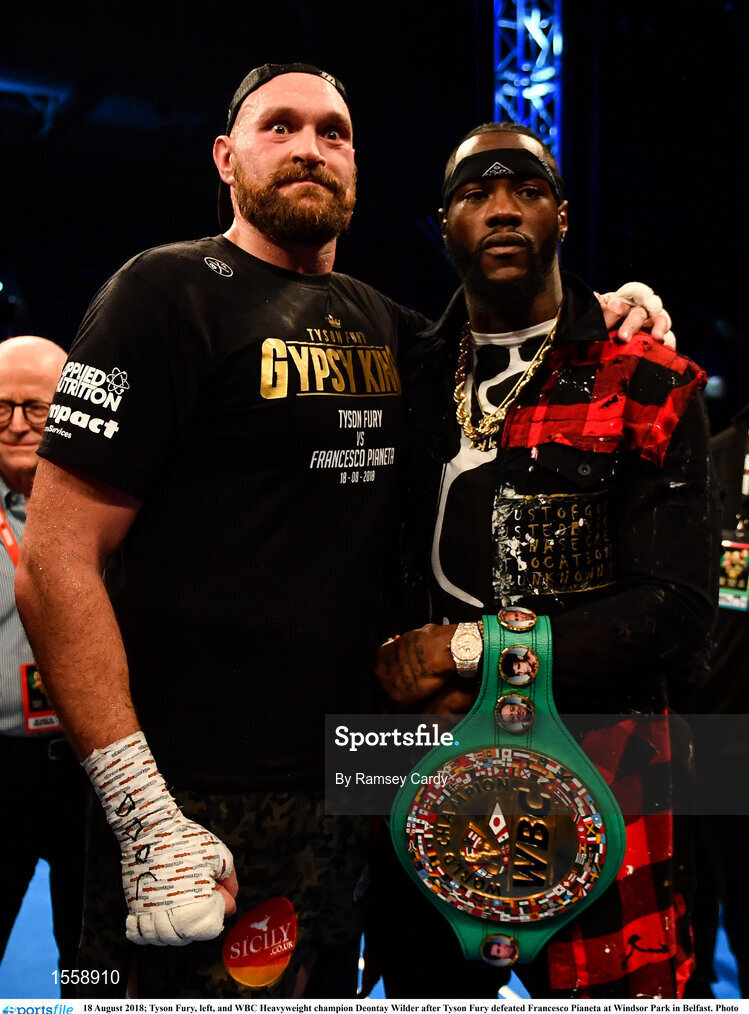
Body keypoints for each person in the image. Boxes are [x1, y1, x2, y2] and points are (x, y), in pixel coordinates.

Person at [14, 63, 674, 1000]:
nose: (308, 148)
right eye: (279, 126)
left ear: (356, 167)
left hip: (361, 777)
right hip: (193, 787)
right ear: (224, 156)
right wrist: (139, 810)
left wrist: (607, 312)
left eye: (333, 132)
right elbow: (53, 559)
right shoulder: (160, 293)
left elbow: (515, 328)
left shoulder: (384, 323)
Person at [371, 122, 719, 999]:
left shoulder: (644, 377)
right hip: (420, 755)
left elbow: (678, 610)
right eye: (474, 193)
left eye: (524, 190)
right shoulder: (403, 372)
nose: (500, 210)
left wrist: (474, 651)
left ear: (561, 216)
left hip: (600, 758)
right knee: (420, 990)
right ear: (441, 223)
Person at [0, 335, 85, 995]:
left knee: (93, 961)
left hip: (92, 768)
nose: (19, 425)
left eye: (37, 408)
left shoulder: (107, 504)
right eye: (1, 409)